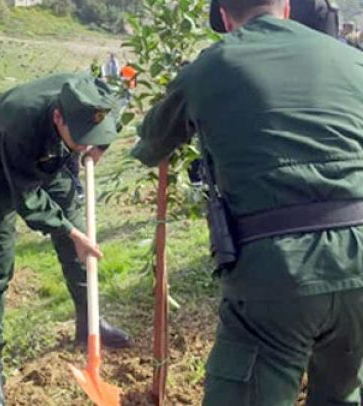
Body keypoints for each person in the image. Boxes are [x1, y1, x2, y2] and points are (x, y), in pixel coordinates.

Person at [133, 0, 363, 403]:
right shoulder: (349, 58)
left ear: (224, 18)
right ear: (287, 8)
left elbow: (153, 142)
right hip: (359, 254)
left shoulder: (210, 67)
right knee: (341, 392)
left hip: (278, 271)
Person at [0, 73, 131, 404]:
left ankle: (90, 326)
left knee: (78, 248)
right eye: (83, 139)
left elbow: (111, 122)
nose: (88, 148)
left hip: (53, 155)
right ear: (59, 117)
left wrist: (97, 146)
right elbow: (29, 202)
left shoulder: (93, 97)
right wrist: (70, 232)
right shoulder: (19, 121)